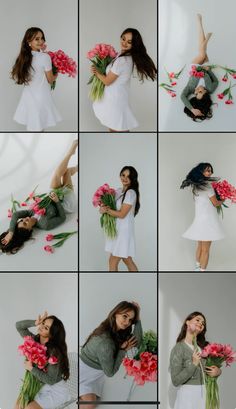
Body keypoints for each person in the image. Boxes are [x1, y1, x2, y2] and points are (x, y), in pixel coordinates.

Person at [0, 140, 78, 254]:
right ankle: (73, 164)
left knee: (57, 174)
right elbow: (62, 218)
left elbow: (16, 215)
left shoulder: (30, 213)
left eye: (22, 220)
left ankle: (71, 154)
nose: (25, 219)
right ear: (30, 230)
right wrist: (56, 201)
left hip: (52, 196)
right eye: (26, 223)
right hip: (65, 204)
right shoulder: (44, 225)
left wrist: (11, 232)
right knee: (65, 173)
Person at [91, 28, 157, 131]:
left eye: (129, 42)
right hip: (115, 99)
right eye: (123, 39)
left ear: (134, 45)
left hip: (115, 101)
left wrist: (97, 73)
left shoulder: (122, 60)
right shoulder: (123, 56)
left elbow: (107, 81)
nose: (124, 43)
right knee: (116, 129)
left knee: (118, 130)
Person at [79, 301, 142, 408]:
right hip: (83, 372)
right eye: (125, 316)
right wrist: (123, 350)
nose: (127, 322)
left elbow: (138, 342)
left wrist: (138, 318)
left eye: (131, 319)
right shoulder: (106, 342)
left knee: (93, 401)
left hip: (96, 373)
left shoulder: (116, 330)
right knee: (90, 405)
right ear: (115, 313)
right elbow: (110, 372)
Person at [14, 311, 71, 409]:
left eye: (46, 328)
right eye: (43, 323)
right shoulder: (33, 340)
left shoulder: (54, 352)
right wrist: (35, 322)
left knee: (29, 408)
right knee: (18, 406)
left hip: (55, 390)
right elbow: (19, 326)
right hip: (39, 385)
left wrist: (31, 368)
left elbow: (51, 380)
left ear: (51, 334)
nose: (41, 327)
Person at [11, 27, 61, 131]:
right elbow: (50, 80)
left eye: (42, 38)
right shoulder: (45, 57)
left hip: (28, 97)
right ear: (29, 41)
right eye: (37, 39)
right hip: (41, 98)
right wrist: (57, 72)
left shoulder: (23, 58)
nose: (41, 41)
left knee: (34, 128)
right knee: (38, 129)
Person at [169, 311, 221, 409]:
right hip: (188, 397)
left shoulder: (205, 348)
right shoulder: (179, 348)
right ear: (187, 322)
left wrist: (218, 372)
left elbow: (209, 371)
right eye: (197, 320)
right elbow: (175, 381)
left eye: (203, 323)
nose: (201, 323)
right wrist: (193, 364)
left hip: (205, 394)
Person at [180, 162, 225, 271]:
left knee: (200, 246)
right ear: (201, 171)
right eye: (207, 170)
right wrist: (224, 198)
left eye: (210, 171)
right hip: (208, 221)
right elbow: (215, 203)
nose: (210, 173)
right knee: (205, 250)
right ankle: (201, 272)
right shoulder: (208, 186)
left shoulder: (196, 186)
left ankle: (197, 268)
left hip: (199, 220)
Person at [100, 166, 140, 271]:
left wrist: (107, 210)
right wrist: (102, 209)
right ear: (120, 175)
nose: (125, 178)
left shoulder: (131, 193)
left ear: (133, 178)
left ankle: (113, 284)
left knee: (112, 261)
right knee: (127, 260)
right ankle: (137, 282)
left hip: (123, 231)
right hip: (117, 229)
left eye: (129, 176)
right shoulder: (118, 191)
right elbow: (110, 207)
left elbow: (122, 214)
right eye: (123, 175)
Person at [181, 14, 218, 121]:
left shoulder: (190, 89)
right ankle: (200, 24)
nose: (197, 91)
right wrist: (209, 71)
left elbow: (182, 97)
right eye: (200, 92)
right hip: (205, 67)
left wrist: (192, 109)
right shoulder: (210, 89)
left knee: (201, 54)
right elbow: (216, 81)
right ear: (205, 93)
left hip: (194, 68)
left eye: (196, 93)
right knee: (201, 50)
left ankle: (205, 34)